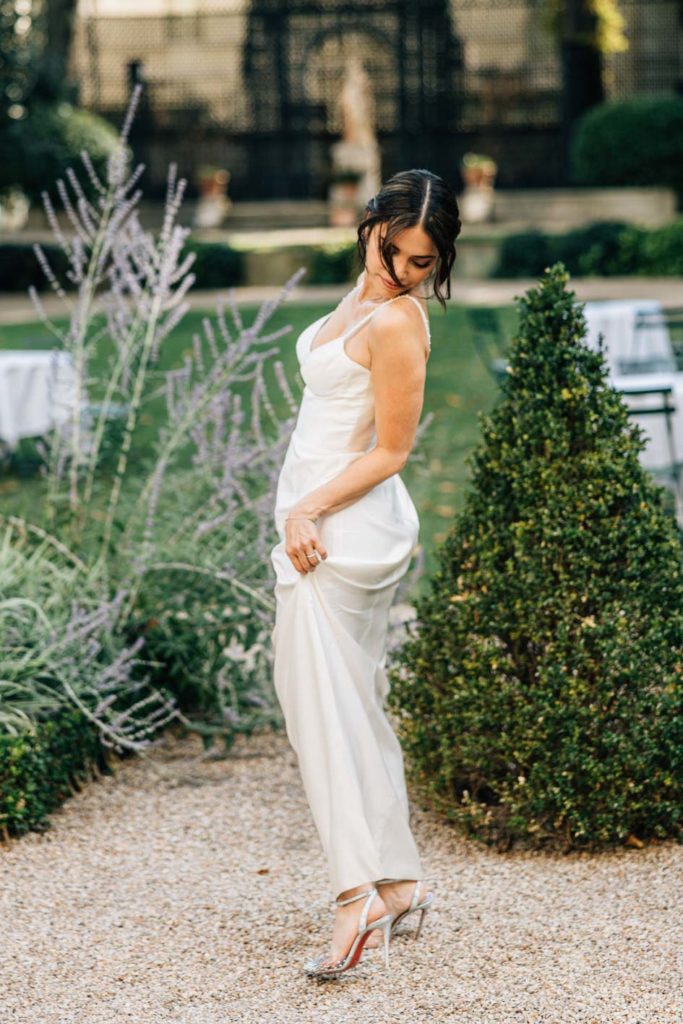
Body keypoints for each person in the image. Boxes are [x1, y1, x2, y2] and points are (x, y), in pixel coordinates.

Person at [269, 168, 462, 979]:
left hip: (342, 533)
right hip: (316, 522)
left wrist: (307, 511)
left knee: (321, 709)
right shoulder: (358, 299)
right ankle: (401, 880)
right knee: (350, 704)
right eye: (393, 252)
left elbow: (391, 451)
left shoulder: (397, 323)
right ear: (370, 228)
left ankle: (358, 900)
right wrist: (300, 509)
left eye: (422, 262)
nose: (403, 271)